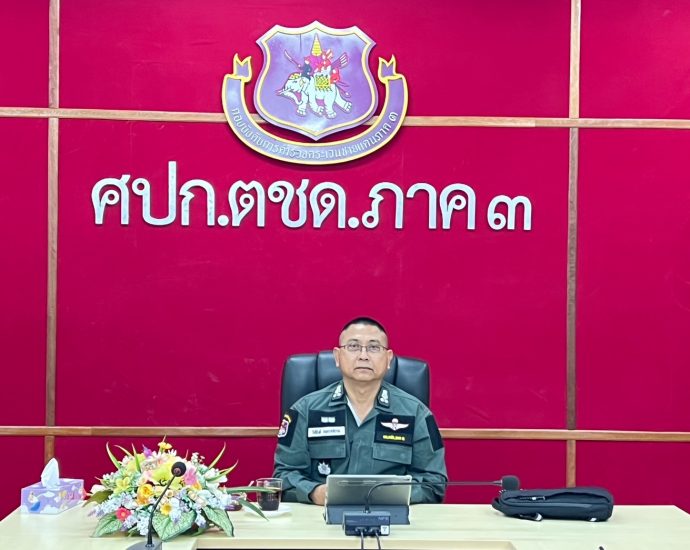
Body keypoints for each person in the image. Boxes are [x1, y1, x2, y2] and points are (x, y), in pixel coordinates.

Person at [273, 316, 447, 505]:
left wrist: (389, 497)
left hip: (392, 517)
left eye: (374, 347)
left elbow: (434, 483)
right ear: (337, 356)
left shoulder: (416, 413)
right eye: (353, 346)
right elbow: (284, 475)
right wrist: (315, 493)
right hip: (321, 516)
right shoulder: (305, 410)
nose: (363, 356)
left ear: (388, 358)